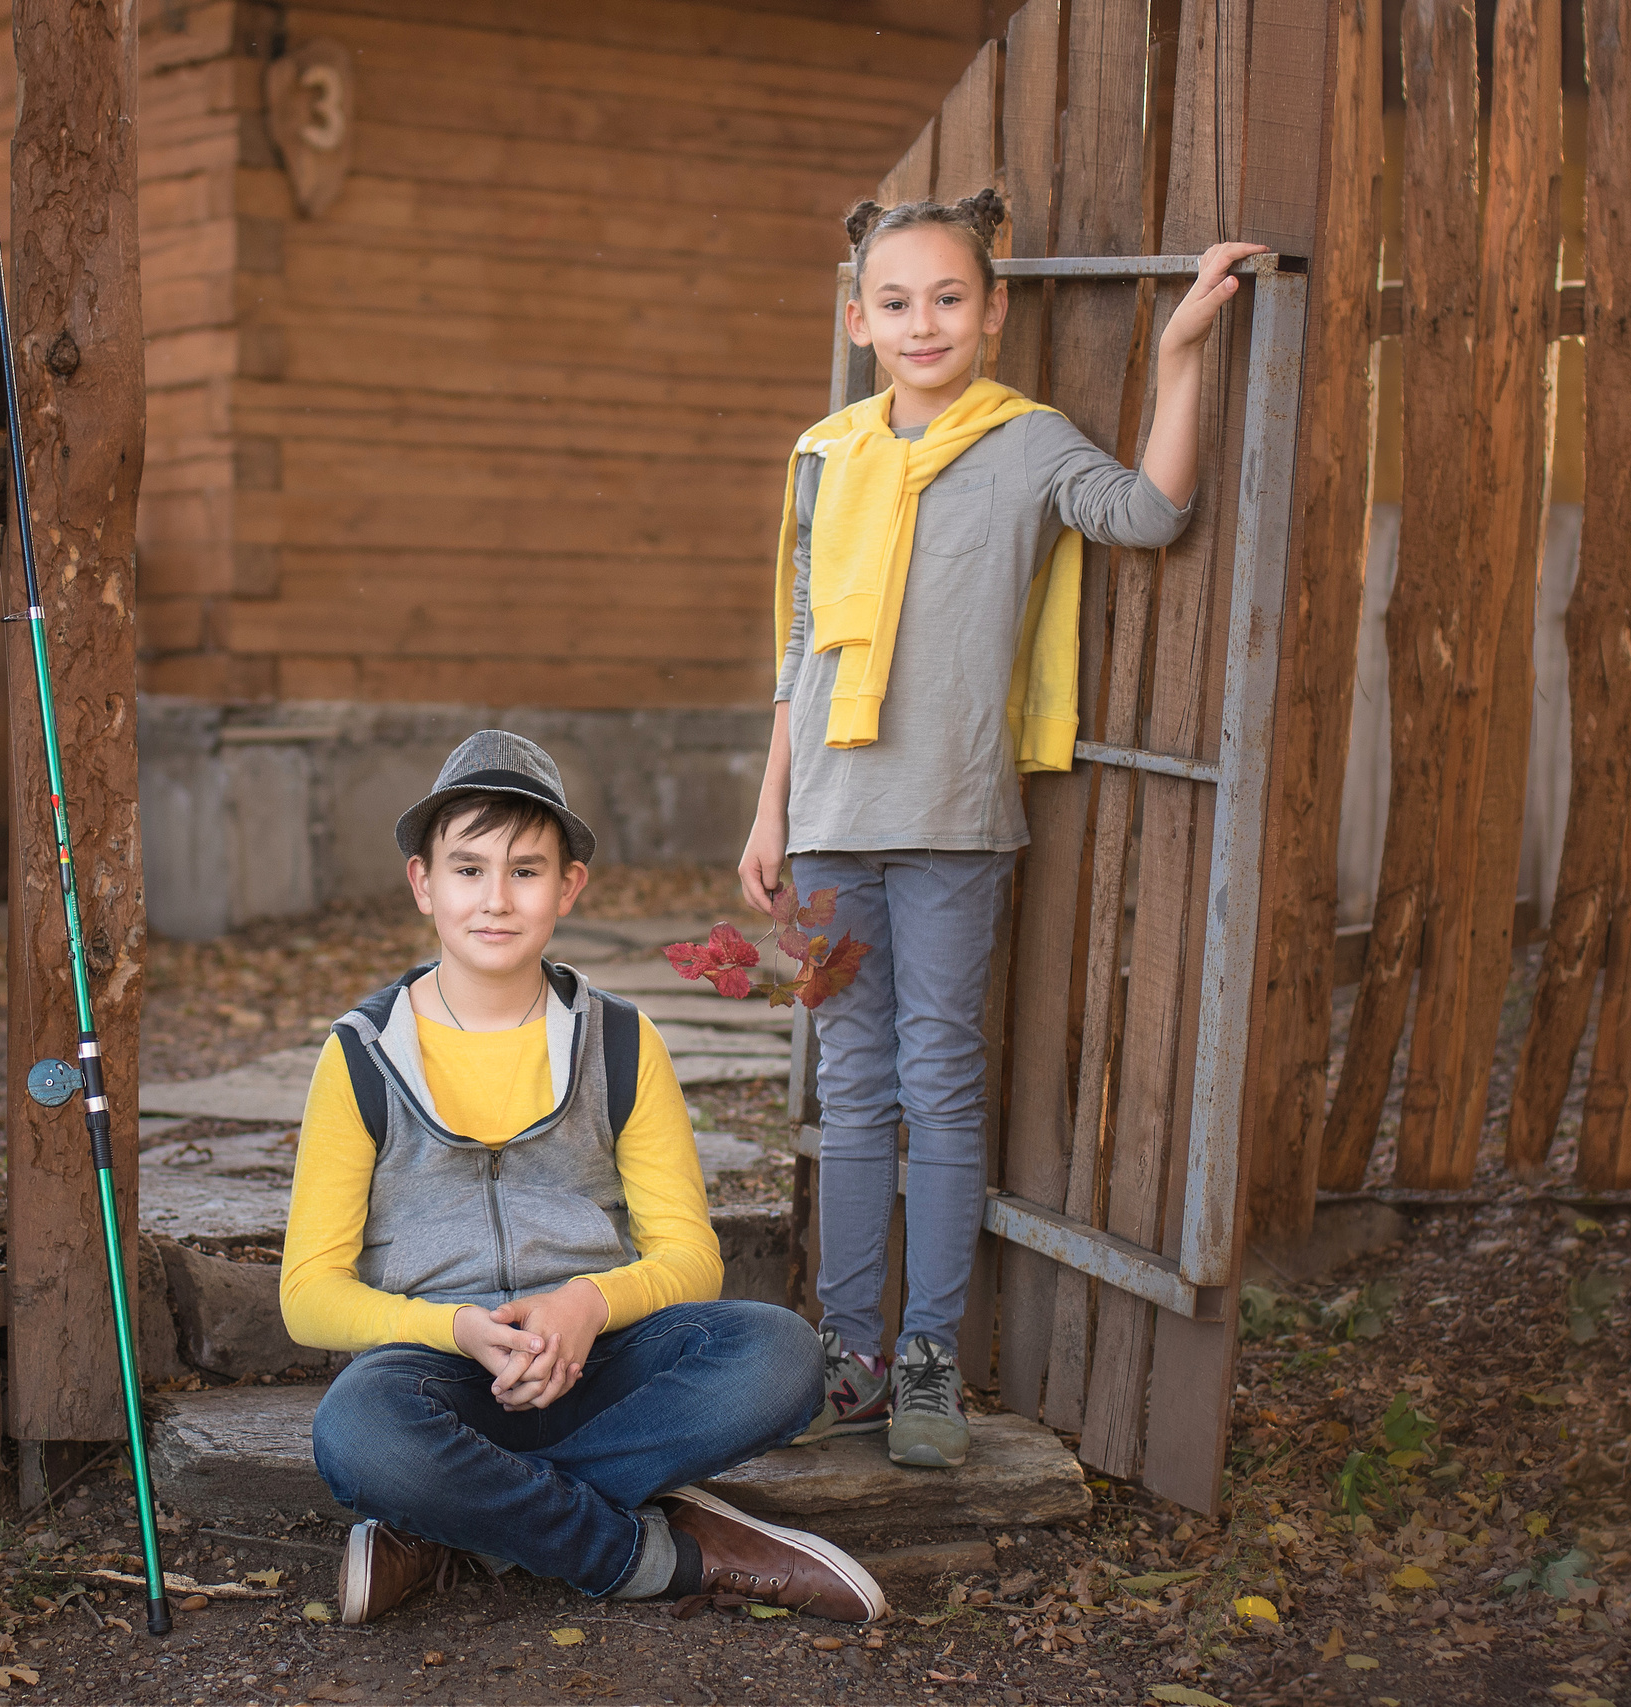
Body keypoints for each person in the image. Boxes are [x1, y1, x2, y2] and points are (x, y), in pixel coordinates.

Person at [740, 191, 1264, 1468]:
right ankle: (852, 1356)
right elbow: (799, 648)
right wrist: (769, 806)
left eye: (950, 297)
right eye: (897, 301)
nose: (925, 322)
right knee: (853, 1085)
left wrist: (1186, 348)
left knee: (939, 1077)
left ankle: (930, 1360)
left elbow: (1150, 514)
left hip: (954, 824)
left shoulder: (1025, 446)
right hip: (827, 829)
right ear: (857, 318)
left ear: (994, 308)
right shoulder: (824, 453)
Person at [282, 730, 888, 1626]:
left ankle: (454, 1521)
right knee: (359, 1430)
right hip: (439, 1375)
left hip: (602, 1364)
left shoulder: (620, 1041)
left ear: (569, 887)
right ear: (422, 883)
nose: (495, 898)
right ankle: (651, 1550)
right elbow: (308, 1294)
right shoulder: (362, 1053)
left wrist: (586, 1306)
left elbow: (690, 1256)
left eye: (526, 871)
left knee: (782, 1355)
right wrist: (453, 1325)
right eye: (468, 869)